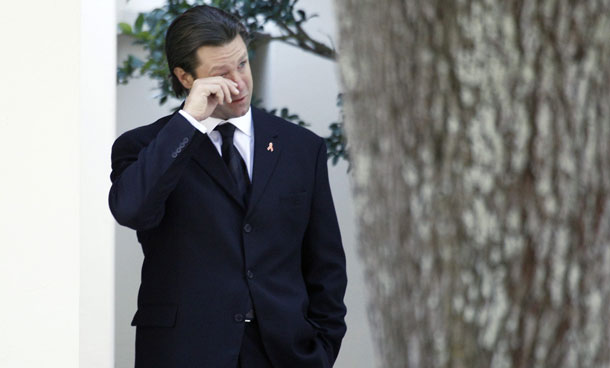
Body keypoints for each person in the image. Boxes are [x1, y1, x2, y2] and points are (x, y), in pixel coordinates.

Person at [108, 5, 347, 368]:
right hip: (184, 353)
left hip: (285, 355)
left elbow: (326, 265)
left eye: (242, 64)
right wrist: (189, 121)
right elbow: (131, 209)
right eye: (221, 73)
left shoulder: (302, 148)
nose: (238, 83)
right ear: (186, 77)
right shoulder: (144, 147)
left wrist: (321, 349)